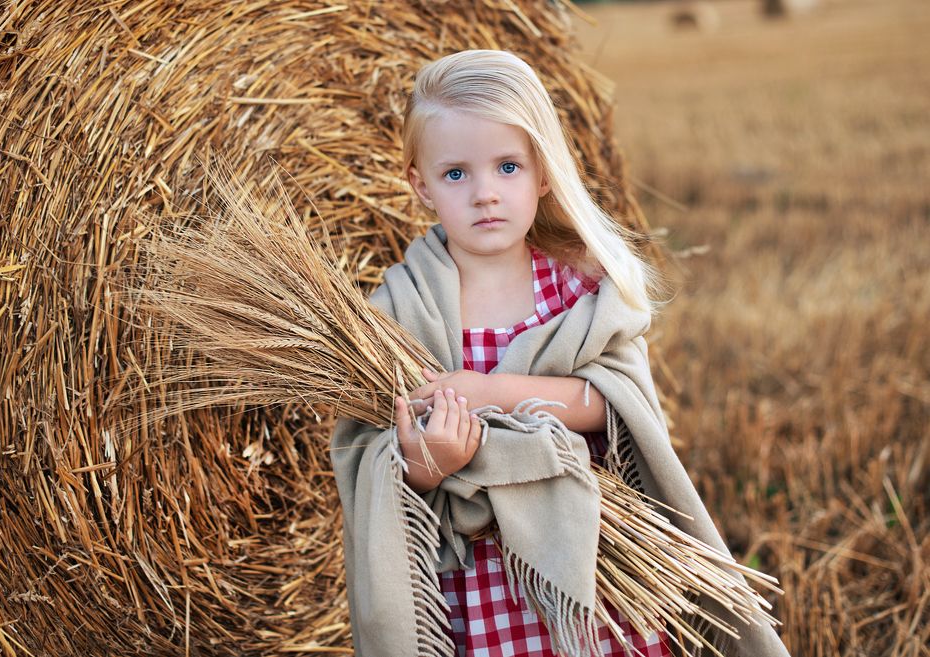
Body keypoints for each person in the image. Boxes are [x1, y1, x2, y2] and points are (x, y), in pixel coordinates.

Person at [329, 49, 790, 657]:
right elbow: (369, 456)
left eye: (508, 167)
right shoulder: (398, 311)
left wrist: (491, 394)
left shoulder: (580, 287)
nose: (485, 194)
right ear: (421, 186)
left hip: (591, 567)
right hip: (479, 587)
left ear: (543, 172)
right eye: (456, 174)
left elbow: (621, 404)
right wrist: (426, 465)